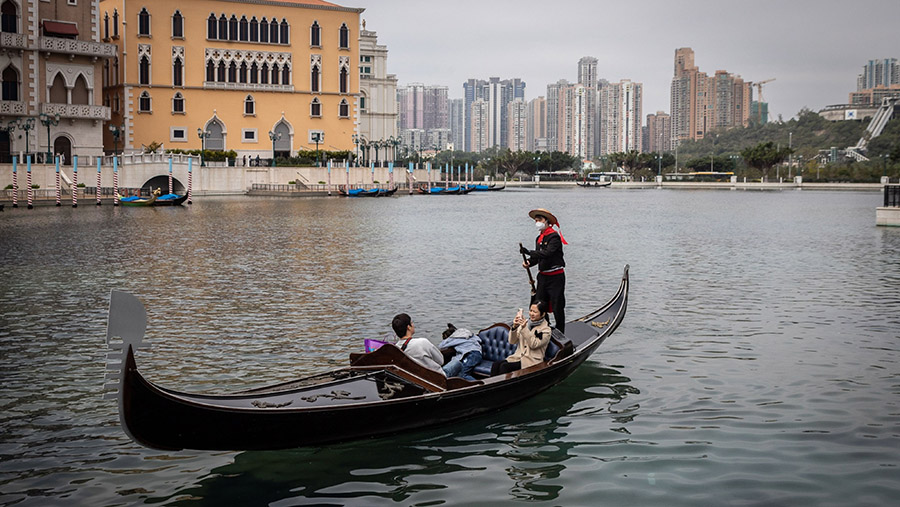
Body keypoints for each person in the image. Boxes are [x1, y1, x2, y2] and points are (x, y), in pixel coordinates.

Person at [520, 208, 568, 332]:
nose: (537, 222)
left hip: (556, 277)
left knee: (557, 305)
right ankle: (544, 328)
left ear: (546, 221)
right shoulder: (539, 238)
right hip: (543, 277)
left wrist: (529, 252)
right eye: (536, 220)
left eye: (539, 220)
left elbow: (547, 253)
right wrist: (529, 262)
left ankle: (560, 331)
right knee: (539, 304)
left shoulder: (554, 237)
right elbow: (538, 258)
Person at [490, 301, 552, 376]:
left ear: (543, 314)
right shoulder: (525, 323)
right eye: (531, 310)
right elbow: (512, 341)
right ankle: (492, 385)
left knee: (504, 367)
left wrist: (524, 328)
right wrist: (514, 327)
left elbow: (534, 344)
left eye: (535, 312)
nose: (531, 314)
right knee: (496, 365)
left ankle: (504, 387)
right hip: (518, 357)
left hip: (532, 361)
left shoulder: (546, 330)